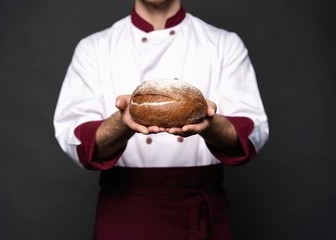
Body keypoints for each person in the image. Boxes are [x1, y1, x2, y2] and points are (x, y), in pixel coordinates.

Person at [53, 0, 269, 239]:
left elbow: (250, 134)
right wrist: (122, 123)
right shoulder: (94, 48)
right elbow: (78, 141)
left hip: (198, 212)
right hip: (125, 215)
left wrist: (208, 123)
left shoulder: (224, 44)